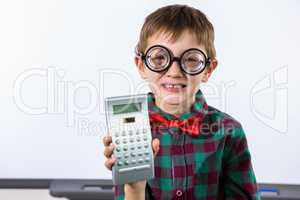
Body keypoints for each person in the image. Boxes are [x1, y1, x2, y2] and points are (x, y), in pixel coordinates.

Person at [103, 4, 260, 200]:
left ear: (208, 70)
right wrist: (133, 188)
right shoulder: (131, 130)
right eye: (160, 57)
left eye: (191, 60)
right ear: (141, 66)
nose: (175, 72)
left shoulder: (229, 132)